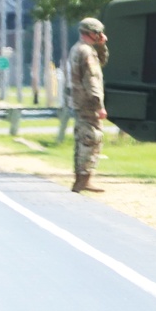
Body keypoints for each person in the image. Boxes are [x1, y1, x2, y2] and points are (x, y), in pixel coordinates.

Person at [69, 17, 109, 193]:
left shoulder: (79, 49)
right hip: (87, 102)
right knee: (91, 138)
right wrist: (99, 105)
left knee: (83, 137)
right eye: (98, 32)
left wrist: (101, 46)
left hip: (79, 100)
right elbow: (91, 80)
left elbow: (102, 61)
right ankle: (83, 180)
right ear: (92, 33)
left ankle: (81, 178)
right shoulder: (86, 52)